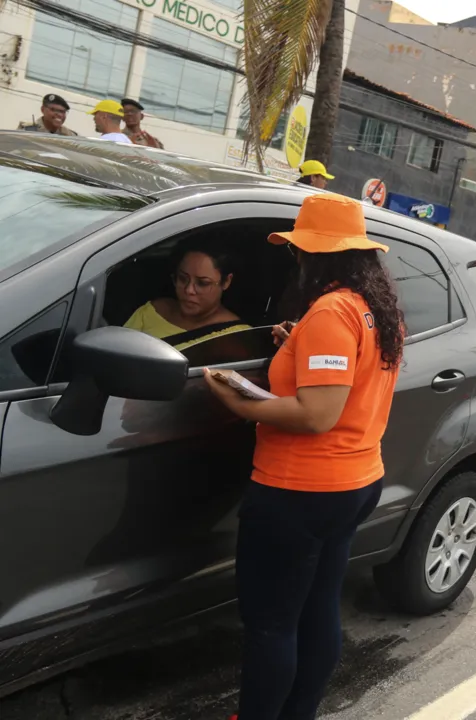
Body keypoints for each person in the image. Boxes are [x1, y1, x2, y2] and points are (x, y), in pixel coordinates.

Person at [203, 193, 404, 720]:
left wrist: (241, 402)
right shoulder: (372, 310)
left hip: (300, 491)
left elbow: (317, 414)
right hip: (355, 483)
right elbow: (345, 376)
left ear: (310, 255)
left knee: (271, 625)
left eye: (298, 251)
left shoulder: (330, 312)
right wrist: (298, 345)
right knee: (317, 612)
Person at [124, 240, 249, 350]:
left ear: (226, 281)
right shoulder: (152, 312)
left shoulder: (236, 336)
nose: (189, 290)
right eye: (183, 279)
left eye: (202, 283)